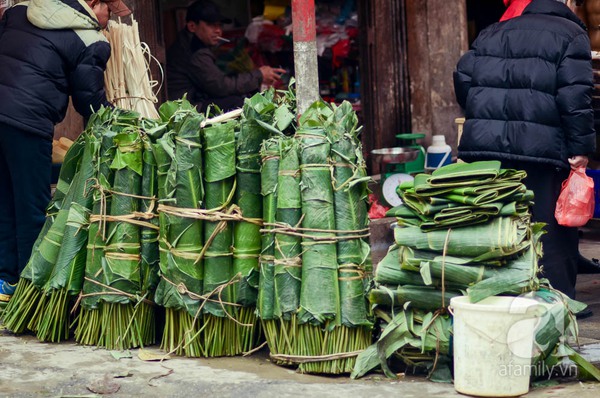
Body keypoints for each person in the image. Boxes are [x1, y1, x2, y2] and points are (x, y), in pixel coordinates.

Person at [454, 0, 596, 304]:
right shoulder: (572, 34)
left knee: (498, 222)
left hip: (489, 148)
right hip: (543, 149)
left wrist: (488, 112)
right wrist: (581, 148)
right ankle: (556, 305)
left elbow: (464, 78)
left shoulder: (492, 32)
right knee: (551, 230)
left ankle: (504, 300)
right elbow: (575, 96)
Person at [0, 0, 131, 302]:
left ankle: (6, 283)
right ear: (94, 3)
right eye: (109, 12)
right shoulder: (91, 39)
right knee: (32, 206)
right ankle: (31, 291)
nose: (108, 22)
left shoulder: (20, 11)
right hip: (26, 122)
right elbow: (90, 101)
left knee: (5, 200)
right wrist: (123, 124)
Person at [166, 0, 286, 112]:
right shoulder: (194, 52)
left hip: (193, 101)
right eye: (211, 25)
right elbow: (221, 86)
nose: (218, 30)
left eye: (219, 25)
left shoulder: (190, 43)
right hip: (186, 109)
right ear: (192, 26)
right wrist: (258, 75)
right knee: (240, 103)